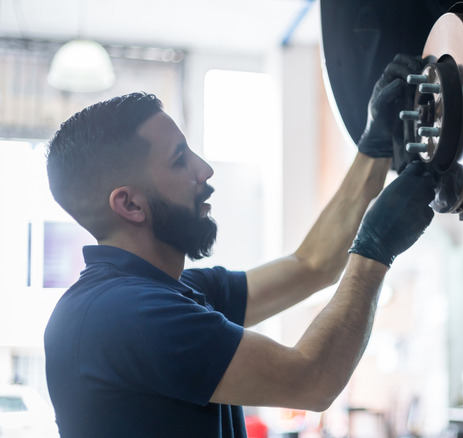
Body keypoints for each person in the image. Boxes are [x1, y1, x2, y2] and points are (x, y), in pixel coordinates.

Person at [43, 54, 435, 438]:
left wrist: (374, 149)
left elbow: (312, 264)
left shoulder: (175, 293)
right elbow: (311, 380)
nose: (204, 169)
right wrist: (374, 251)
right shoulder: (123, 315)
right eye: (180, 161)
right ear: (129, 204)